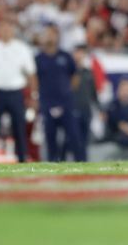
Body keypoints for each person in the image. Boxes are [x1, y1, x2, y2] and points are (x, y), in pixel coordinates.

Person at [0, 19, 36, 163]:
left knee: (19, 127)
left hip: (16, 92)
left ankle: (22, 158)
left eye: (9, 28)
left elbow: (31, 74)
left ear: (13, 30)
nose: (6, 31)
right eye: (3, 27)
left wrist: (34, 95)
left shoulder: (22, 48)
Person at [34, 26, 85, 161]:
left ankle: (81, 163)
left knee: (74, 135)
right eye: (48, 34)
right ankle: (53, 164)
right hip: (47, 102)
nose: (51, 37)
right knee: (50, 136)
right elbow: (34, 79)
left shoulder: (65, 56)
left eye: (53, 34)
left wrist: (67, 91)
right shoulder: (38, 58)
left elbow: (75, 76)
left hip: (66, 102)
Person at [70, 45, 100, 152]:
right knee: (72, 138)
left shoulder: (88, 72)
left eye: (81, 53)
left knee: (85, 138)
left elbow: (93, 93)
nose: (79, 55)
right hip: (72, 109)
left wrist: (100, 109)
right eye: (77, 53)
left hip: (86, 109)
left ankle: (83, 160)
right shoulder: (69, 72)